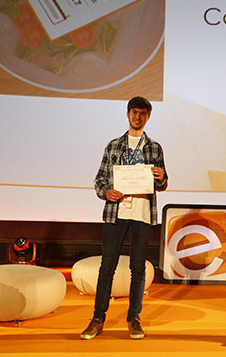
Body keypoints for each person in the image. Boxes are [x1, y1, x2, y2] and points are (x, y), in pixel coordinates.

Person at [80, 96, 168, 340]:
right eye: (134, 112)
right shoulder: (113, 146)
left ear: (148, 117)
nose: (137, 117)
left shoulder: (154, 148)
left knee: (137, 268)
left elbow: (162, 183)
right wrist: (106, 191)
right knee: (107, 266)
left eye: (142, 113)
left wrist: (160, 177)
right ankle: (98, 318)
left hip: (141, 212)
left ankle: (134, 318)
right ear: (127, 114)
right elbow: (99, 180)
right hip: (116, 212)